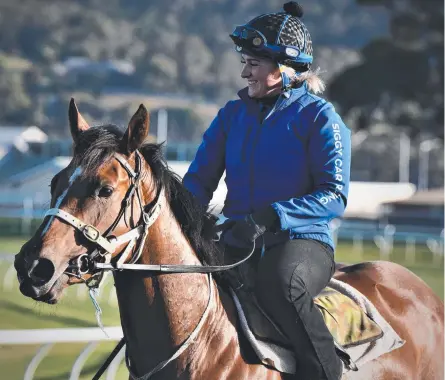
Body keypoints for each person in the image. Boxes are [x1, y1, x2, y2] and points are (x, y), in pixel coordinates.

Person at [183, 2, 351, 379]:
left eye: (253, 64)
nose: (244, 72)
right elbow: (197, 182)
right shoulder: (231, 115)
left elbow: (334, 195)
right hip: (238, 237)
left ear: (282, 68)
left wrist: (270, 216)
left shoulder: (321, 118)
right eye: (245, 62)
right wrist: (181, 219)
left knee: (280, 284)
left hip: (301, 241)